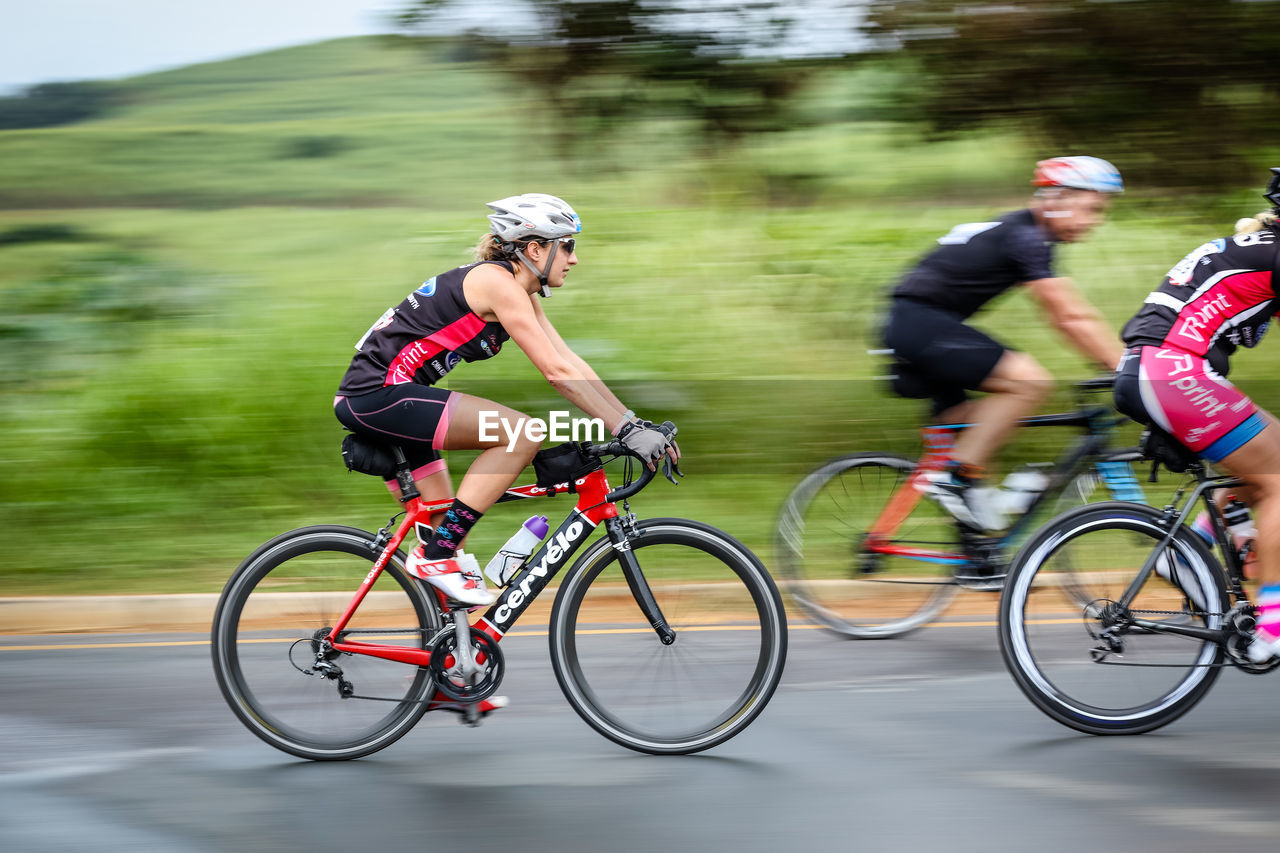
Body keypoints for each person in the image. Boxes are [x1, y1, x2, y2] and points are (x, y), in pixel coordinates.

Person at [334, 193, 678, 612]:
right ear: (535, 249)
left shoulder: (518, 289)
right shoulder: (497, 284)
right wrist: (622, 429)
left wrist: (630, 420)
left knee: (448, 539)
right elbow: (555, 373)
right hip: (376, 395)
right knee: (523, 434)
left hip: (397, 397)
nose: (573, 258)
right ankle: (434, 557)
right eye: (566, 245)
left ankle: (451, 663)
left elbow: (570, 361)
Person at [882, 156, 1125, 531]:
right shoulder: (1027, 237)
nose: (1096, 219)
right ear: (1057, 199)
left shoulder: (1021, 229)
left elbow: (1063, 316)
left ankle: (981, 560)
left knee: (971, 438)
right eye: (1092, 208)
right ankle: (951, 480)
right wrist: (1126, 366)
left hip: (912, 323)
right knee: (1029, 383)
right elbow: (1068, 316)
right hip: (920, 322)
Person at [1114, 167, 1280, 662]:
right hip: (1172, 371)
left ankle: (1196, 546)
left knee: (1267, 453)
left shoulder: (1261, 247)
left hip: (1155, 368)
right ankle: (1271, 630)